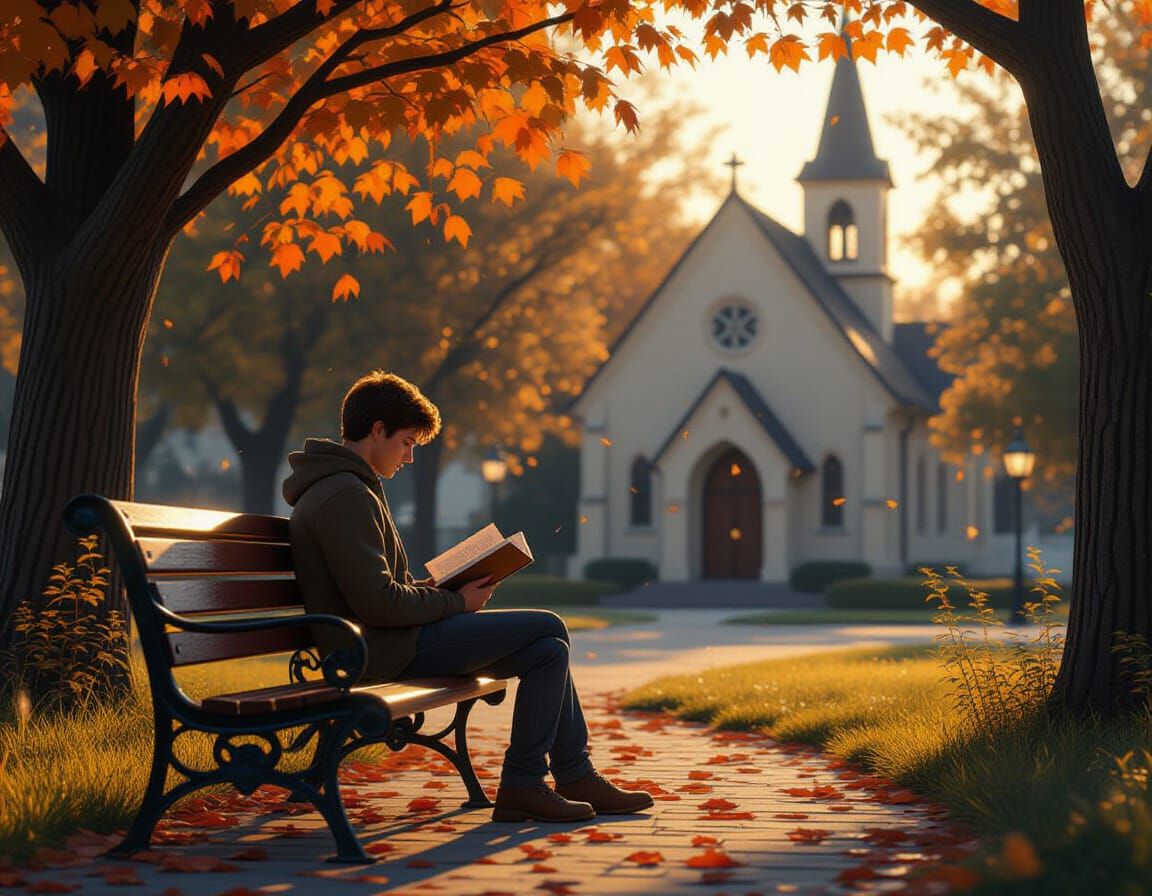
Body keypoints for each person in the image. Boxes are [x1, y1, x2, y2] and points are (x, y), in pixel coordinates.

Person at [282, 370, 654, 822]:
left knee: (548, 650)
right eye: (406, 442)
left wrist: (439, 588)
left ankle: (542, 781)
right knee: (548, 625)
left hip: (386, 639)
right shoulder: (345, 495)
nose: (411, 456)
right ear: (377, 430)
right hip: (376, 651)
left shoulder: (348, 487)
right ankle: (542, 780)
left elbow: (373, 591)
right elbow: (377, 603)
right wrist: (458, 602)